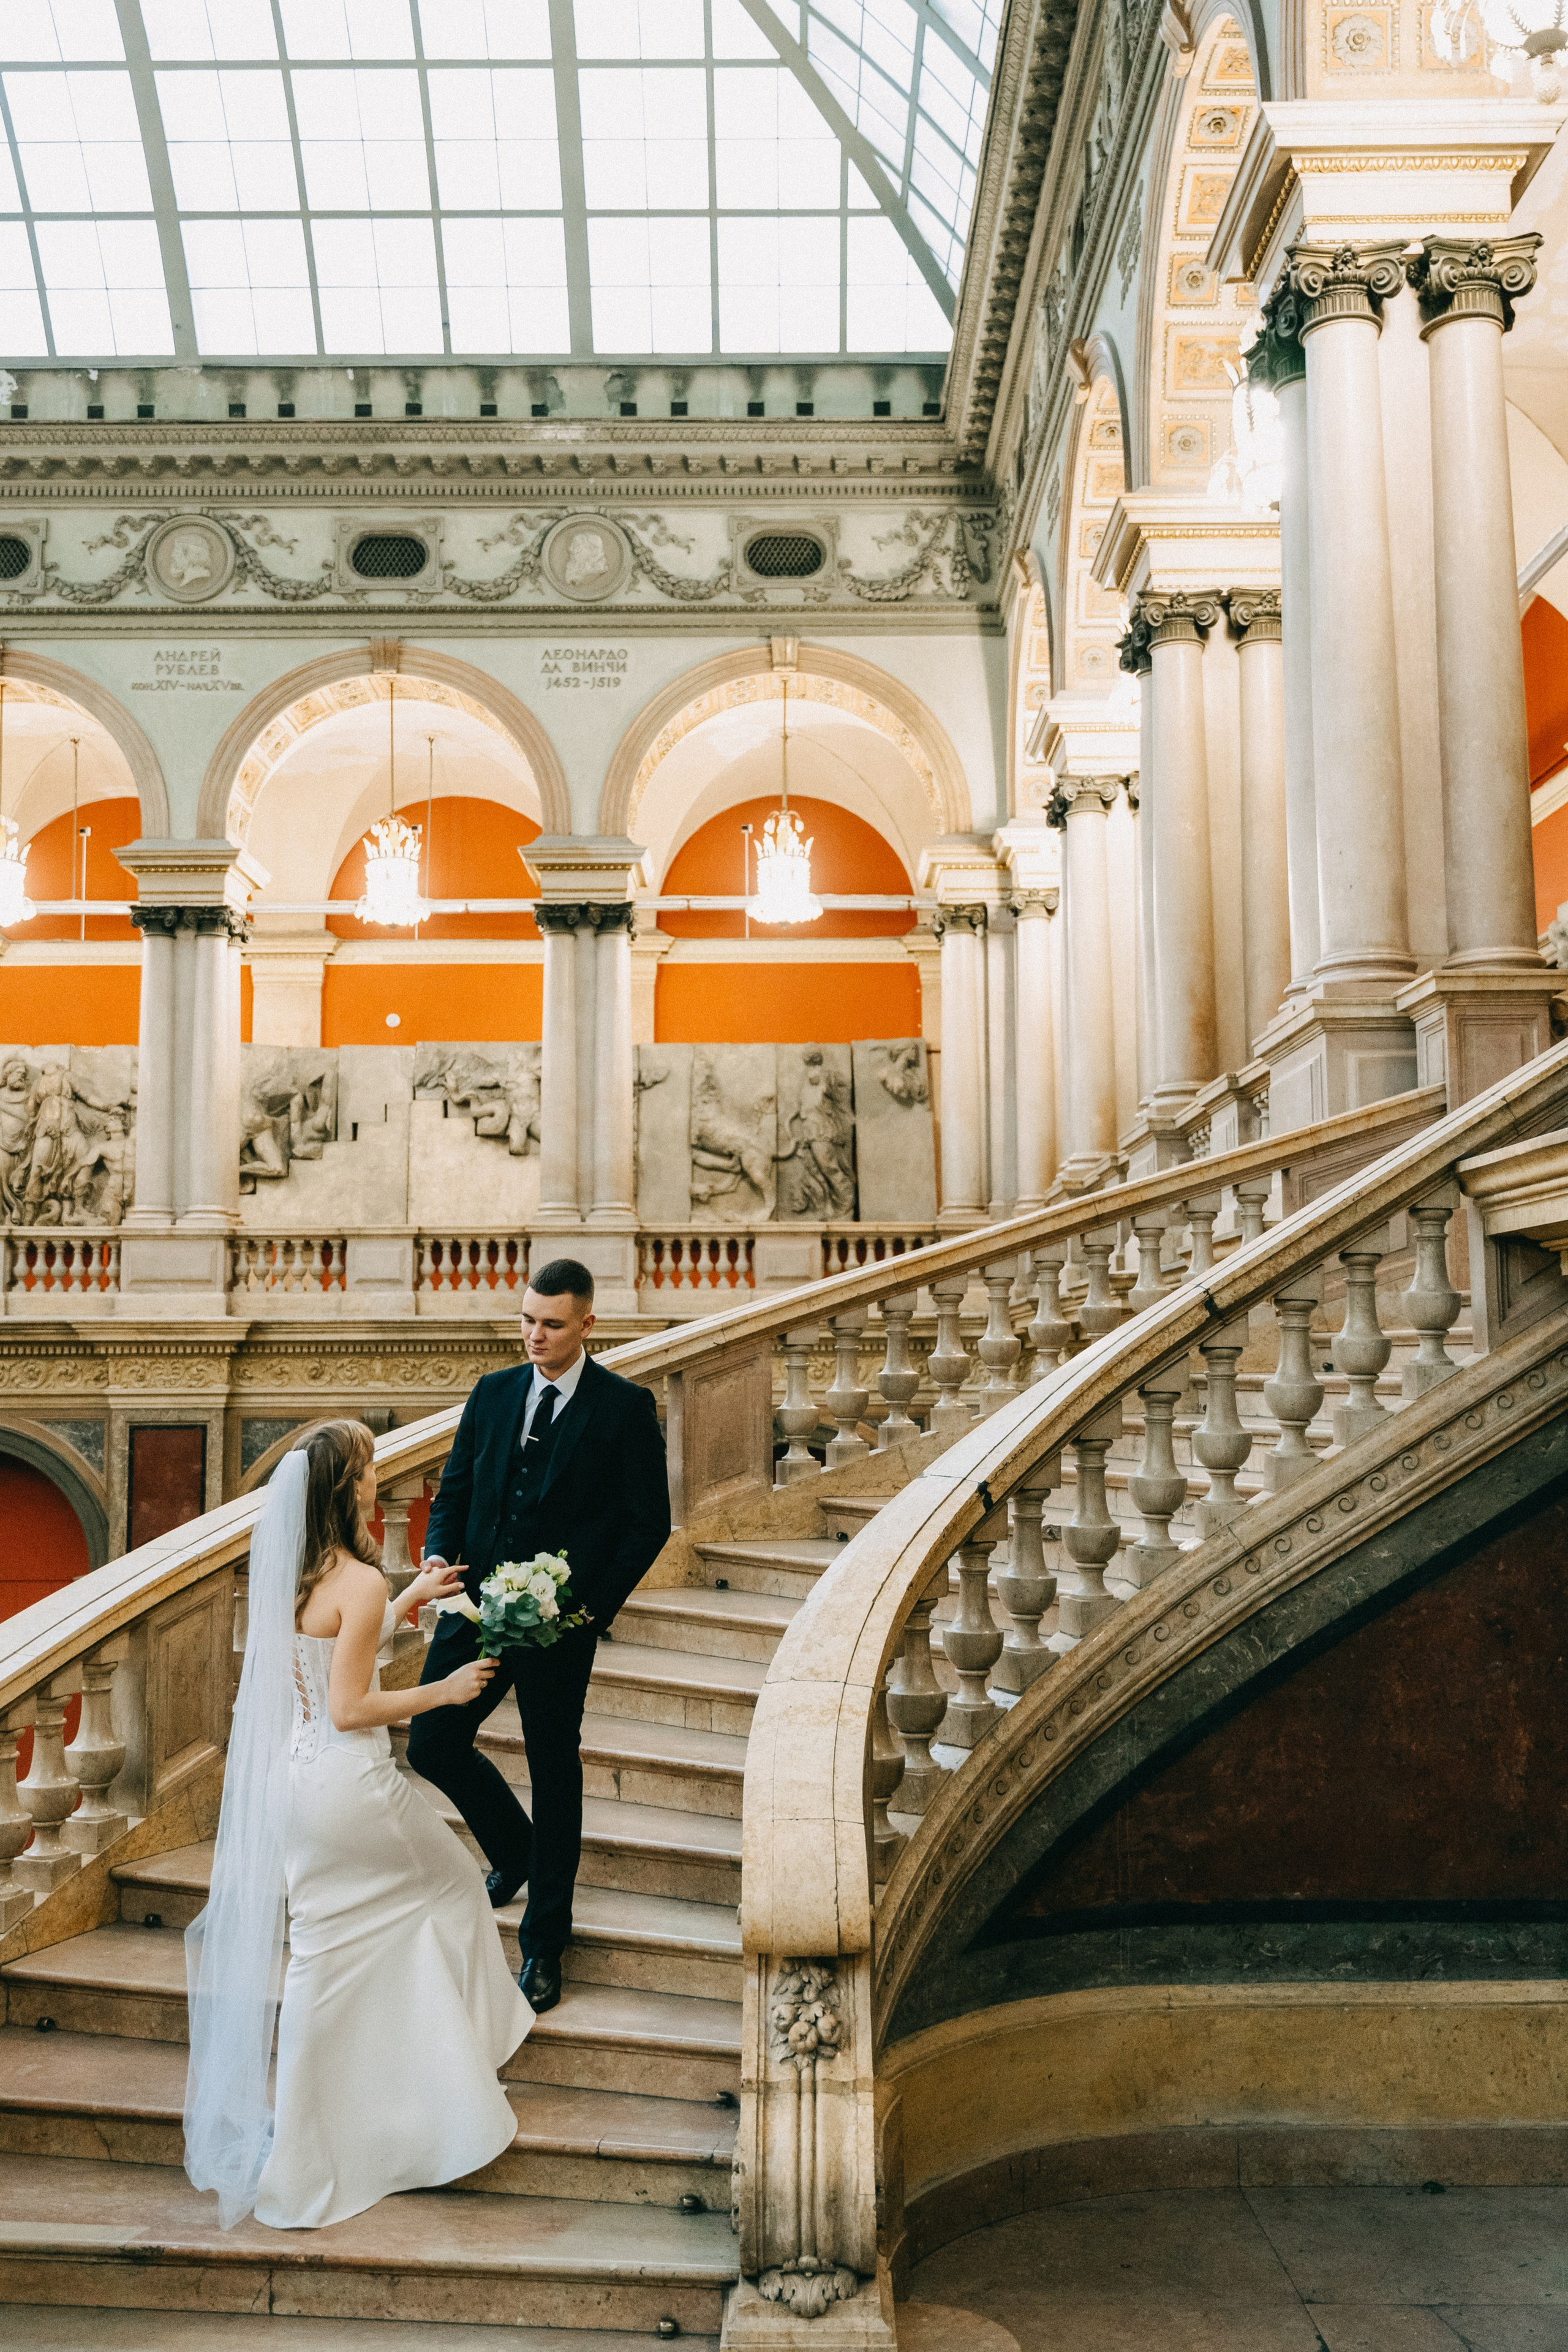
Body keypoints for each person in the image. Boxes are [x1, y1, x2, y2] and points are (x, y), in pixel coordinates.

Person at [183, 1419, 532, 2232]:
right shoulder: (361, 1582)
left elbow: (330, 1652)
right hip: (353, 1784)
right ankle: (449, 2080)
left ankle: (311, 2144)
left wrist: (409, 1598)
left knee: (324, 1953)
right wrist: (442, 1695)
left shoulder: (297, 1574)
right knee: (450, 1887)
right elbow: (351, 1707)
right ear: (349, 1487)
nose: (381, 1478)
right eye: (371, 1467)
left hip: (297, 1788)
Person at [410, 1258, 671, 2015]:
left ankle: (544, 1944)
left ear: (587, 1324)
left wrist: (587, 1610)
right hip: (478, 1612)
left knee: (555, 1773)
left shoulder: (624, 1407)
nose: (534, 1335)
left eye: (551, 1324)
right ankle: (515, 1851)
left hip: (564, 1627)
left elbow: (645, 1524)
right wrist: (438, 1552)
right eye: (527, 1320)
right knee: (433, 1744)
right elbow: (456, 1486)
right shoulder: (493, 1393)